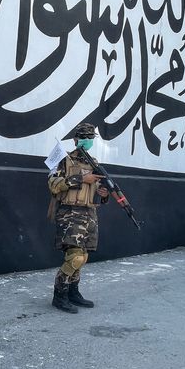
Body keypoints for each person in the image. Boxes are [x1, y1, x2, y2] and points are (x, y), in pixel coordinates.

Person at [47, 122, 109, 314]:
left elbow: (96, 195)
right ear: (75, 140)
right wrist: (82, 179)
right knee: (75, 257)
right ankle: (59, 295)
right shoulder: (64, 160)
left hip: (89, 214)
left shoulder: (95, 164)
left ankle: (73, 292)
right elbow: (53, 184)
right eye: (84, 137)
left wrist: (103, 193)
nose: (88, 141)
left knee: (83, 257)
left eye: (91, 138)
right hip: (70, 213)